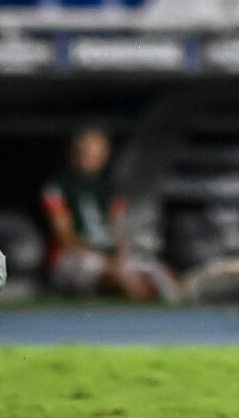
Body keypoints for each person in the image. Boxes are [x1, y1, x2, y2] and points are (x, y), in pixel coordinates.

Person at [42, 127, 180, 301]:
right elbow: (64, 234)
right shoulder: (58, 187)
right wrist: (105, 260)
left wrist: (119, 256)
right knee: (108, 273)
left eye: (97, 151)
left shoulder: (109, 188)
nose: (92, 156)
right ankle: (137, 291)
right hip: (74, 254)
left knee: (156, 271)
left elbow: (118, 228)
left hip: (108, 253)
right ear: (74, 152)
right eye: (87, 151)